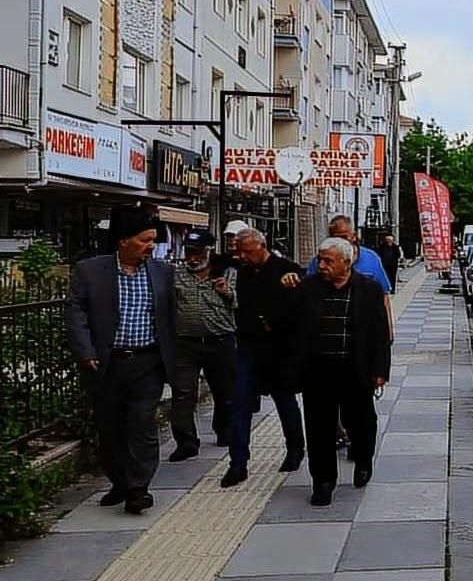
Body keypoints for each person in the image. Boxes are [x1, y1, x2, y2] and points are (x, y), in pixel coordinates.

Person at [65, 207, 177, 514]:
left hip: (148, 362)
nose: (151, 246)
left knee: (142, 423)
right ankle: (120, 481)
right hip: (107, 363)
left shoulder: (162, 272)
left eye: (153, 240)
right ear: (123, 241)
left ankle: (139, 487)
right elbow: (76, 315)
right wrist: (85, 351)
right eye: (144, 240)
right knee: (111, 427)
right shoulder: (89, 271)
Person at [297, 237, 390, 506]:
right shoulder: (308, 288)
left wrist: (380, 369)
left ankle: (363, 459)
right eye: (320, 259)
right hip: (318, 369)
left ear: (346, 263)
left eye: (328, 260)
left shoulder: (368, 289)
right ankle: (323, 481)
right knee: (318, 428)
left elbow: (379, 333)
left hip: (355, 368)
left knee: (360, 421)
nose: (321, 265)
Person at [229, 228, 306, 486]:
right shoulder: (243, 272)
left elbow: (298, 305)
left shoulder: (286, 269)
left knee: (284, 399)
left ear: (262, 247)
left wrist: (272, 322)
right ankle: (238, 461)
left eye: (247, 251)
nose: (243, 256)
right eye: (239, 251)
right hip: (248, 345)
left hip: (278, 349)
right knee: (239, 402)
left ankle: (295, 446)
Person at [168, 230, 236, 462]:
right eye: (189, 253)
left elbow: (243, 303)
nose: (193, 258)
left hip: (220, 340)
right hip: (186, 343)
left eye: (198, 253)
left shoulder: (228, 272)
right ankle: (186, 442)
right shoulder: (176, 275)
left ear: (209, 251)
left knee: (225, 392)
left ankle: (225, 431)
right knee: (183, 394)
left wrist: (227, 292)